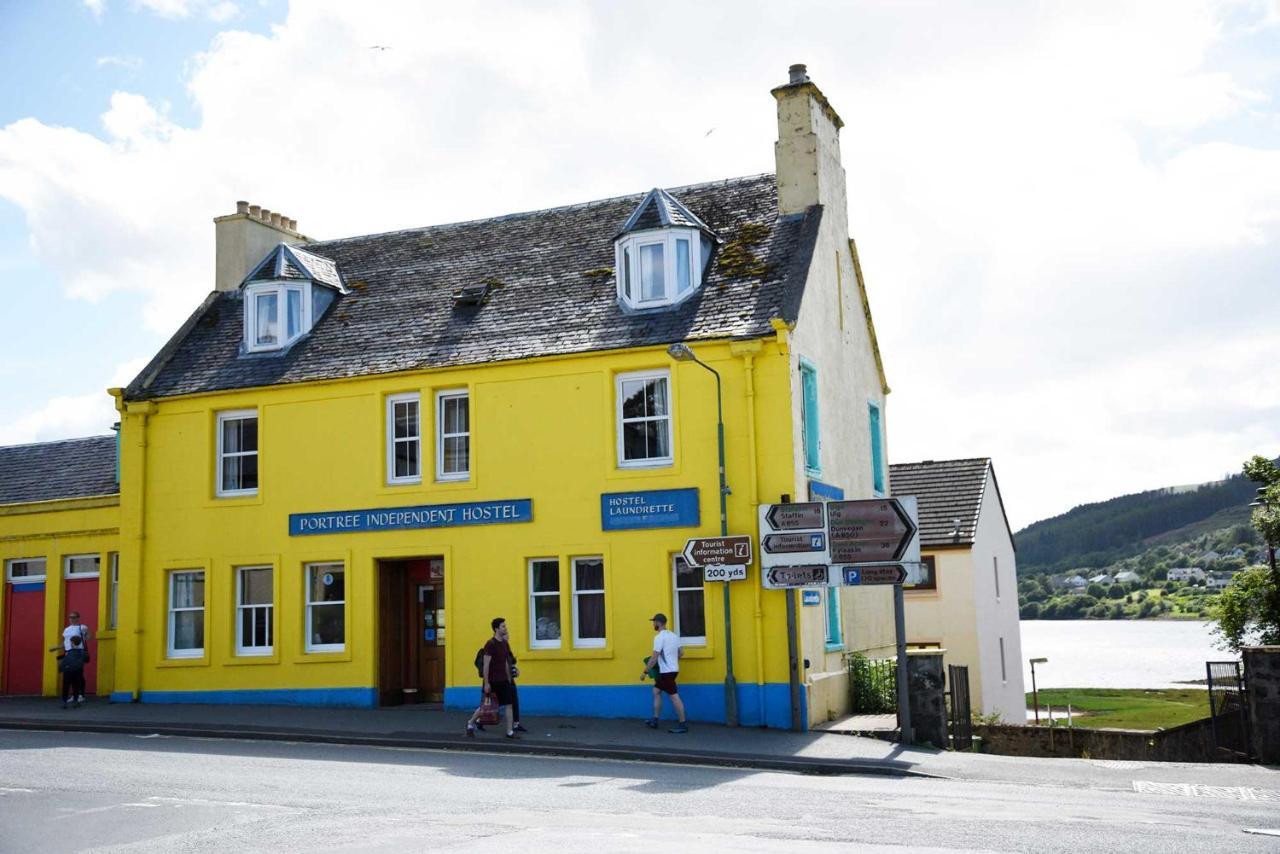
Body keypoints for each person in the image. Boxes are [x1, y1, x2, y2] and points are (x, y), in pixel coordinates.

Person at [467, 617, 518, 739]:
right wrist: (486, 683)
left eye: (505, 626)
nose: (505, 628)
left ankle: (509, 732)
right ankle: (471, 722)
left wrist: (509, 678)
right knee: (486, 706)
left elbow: (506, 662)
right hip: (492, 680)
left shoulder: (505, 644)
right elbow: (486, 664)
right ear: (496, 629)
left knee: (509, 704)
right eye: (503, 626)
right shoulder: (490, 644)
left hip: (504, 680)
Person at [641, 613, 687, 733]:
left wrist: (645, 671)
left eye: (654, 622)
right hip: (673, 669)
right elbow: (681, 653)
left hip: (667, 672)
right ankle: (655, 719)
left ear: (658, 623)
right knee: (656, 691)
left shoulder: (659, 637)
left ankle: (683, 724)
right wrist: (672, 661)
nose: (653, 624)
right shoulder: (674, 636)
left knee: (674, 697)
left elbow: (654, 657)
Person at [49, 610, 91, 705]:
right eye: (70, 617)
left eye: (73, 617)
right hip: (68, 653)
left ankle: (81, 695)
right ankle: (75, 695)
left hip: (78, 652)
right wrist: (56, 648)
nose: (71, 619)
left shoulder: (82, 627)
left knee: (78, 673)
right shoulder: (67, 630)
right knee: (70, 674)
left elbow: (88, 637)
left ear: (77, 618)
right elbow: (66, 642)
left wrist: (86, 635)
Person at [59, 635, 89, 709]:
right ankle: (76, 701)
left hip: (68, 671)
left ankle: (64, 702)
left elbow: (65, 662)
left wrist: (60, 668)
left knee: (66, 687)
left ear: (72, 642)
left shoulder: (68, 653)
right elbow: (87, 660)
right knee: (76, 686)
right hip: (78, 671)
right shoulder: (83, 652)